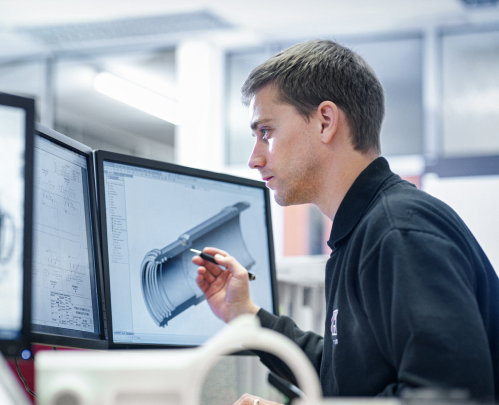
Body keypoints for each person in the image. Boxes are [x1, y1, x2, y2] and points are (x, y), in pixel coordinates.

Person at [193, 39, 499, 403]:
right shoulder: (361, 234)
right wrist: (246, 316)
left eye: (266, 132)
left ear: (325, 121)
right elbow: (346, 380)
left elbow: (448, 397)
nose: (254, 159)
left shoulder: (397, 232)